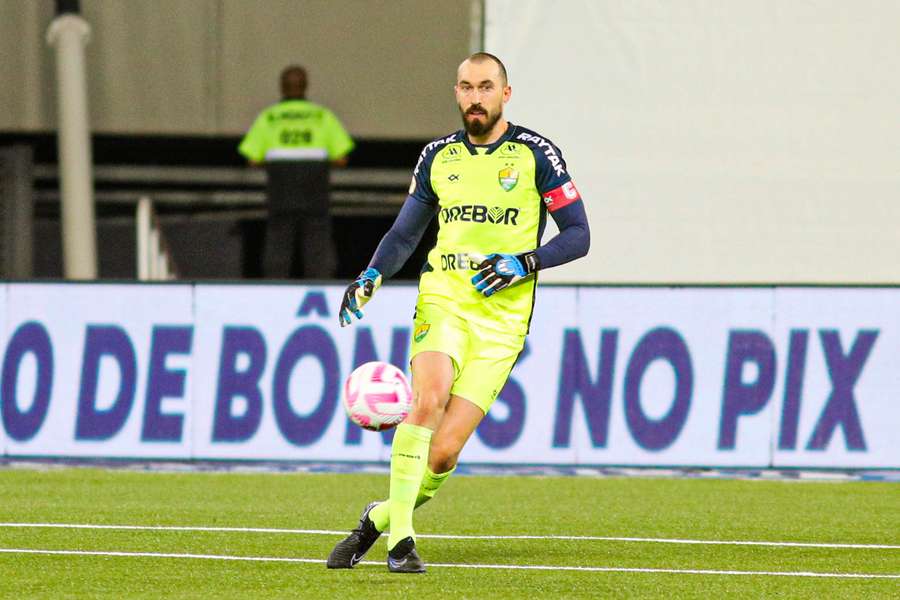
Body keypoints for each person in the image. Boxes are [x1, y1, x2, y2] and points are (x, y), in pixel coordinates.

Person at [327, 52, 590, 573]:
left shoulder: (536, 154)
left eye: (486, 87)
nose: (476, 97)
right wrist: (372, 274)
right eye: (467, 87)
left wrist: (524, 261)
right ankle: (401, 544)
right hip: (443, 296)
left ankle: (378, 518)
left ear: (505, 94)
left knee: (443, 455)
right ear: (457, 93)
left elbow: (579, 235)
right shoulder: (437, 157)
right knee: (428, 399)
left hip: (502, 321)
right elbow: (406, 233)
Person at [238, 65, 354, 279]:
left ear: (282, 87)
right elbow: (342, 158)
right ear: (306, 86)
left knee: (277, 248)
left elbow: (252, 159)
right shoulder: (322, 116)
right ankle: (321, 294)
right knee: (318, 249)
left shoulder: (269, 117)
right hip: (315, 192)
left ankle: (274, 294)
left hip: (281, 193)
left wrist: (277, 164)